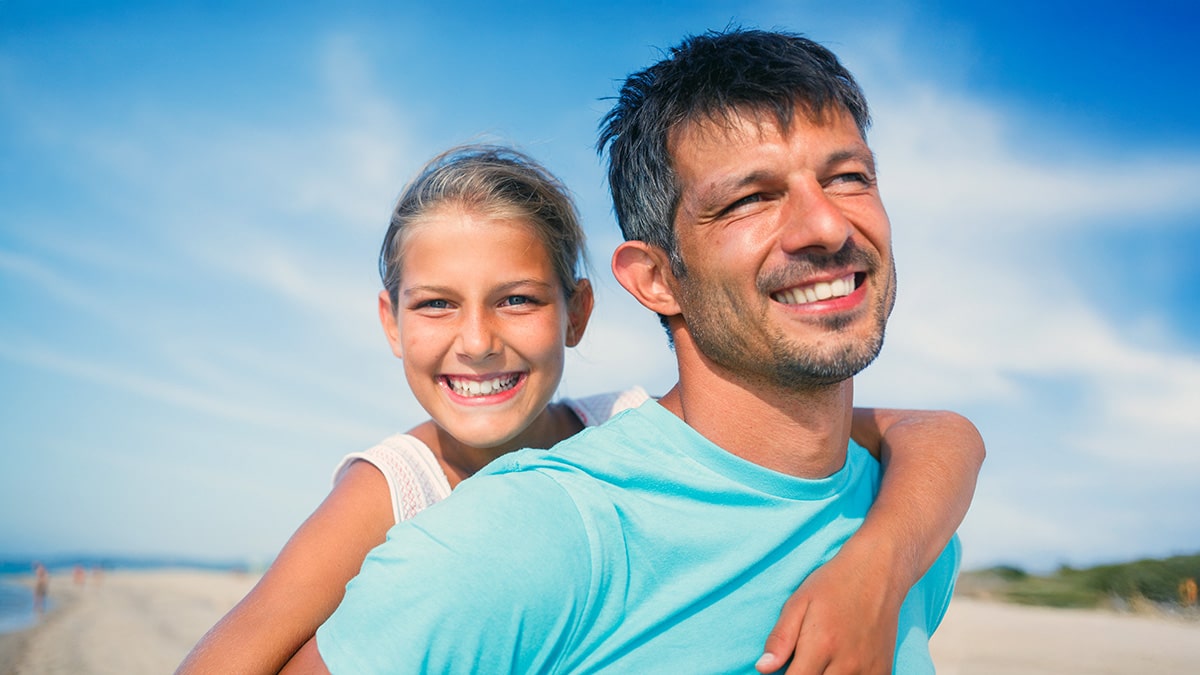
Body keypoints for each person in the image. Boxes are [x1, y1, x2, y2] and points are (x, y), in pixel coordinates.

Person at [289, 28, 981, 674]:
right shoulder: (532, 534)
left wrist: (885, 559)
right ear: (655, 279)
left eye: (848, 177)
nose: (825, 225)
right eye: (749, 198)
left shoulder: (910, 528)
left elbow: (942, 433)